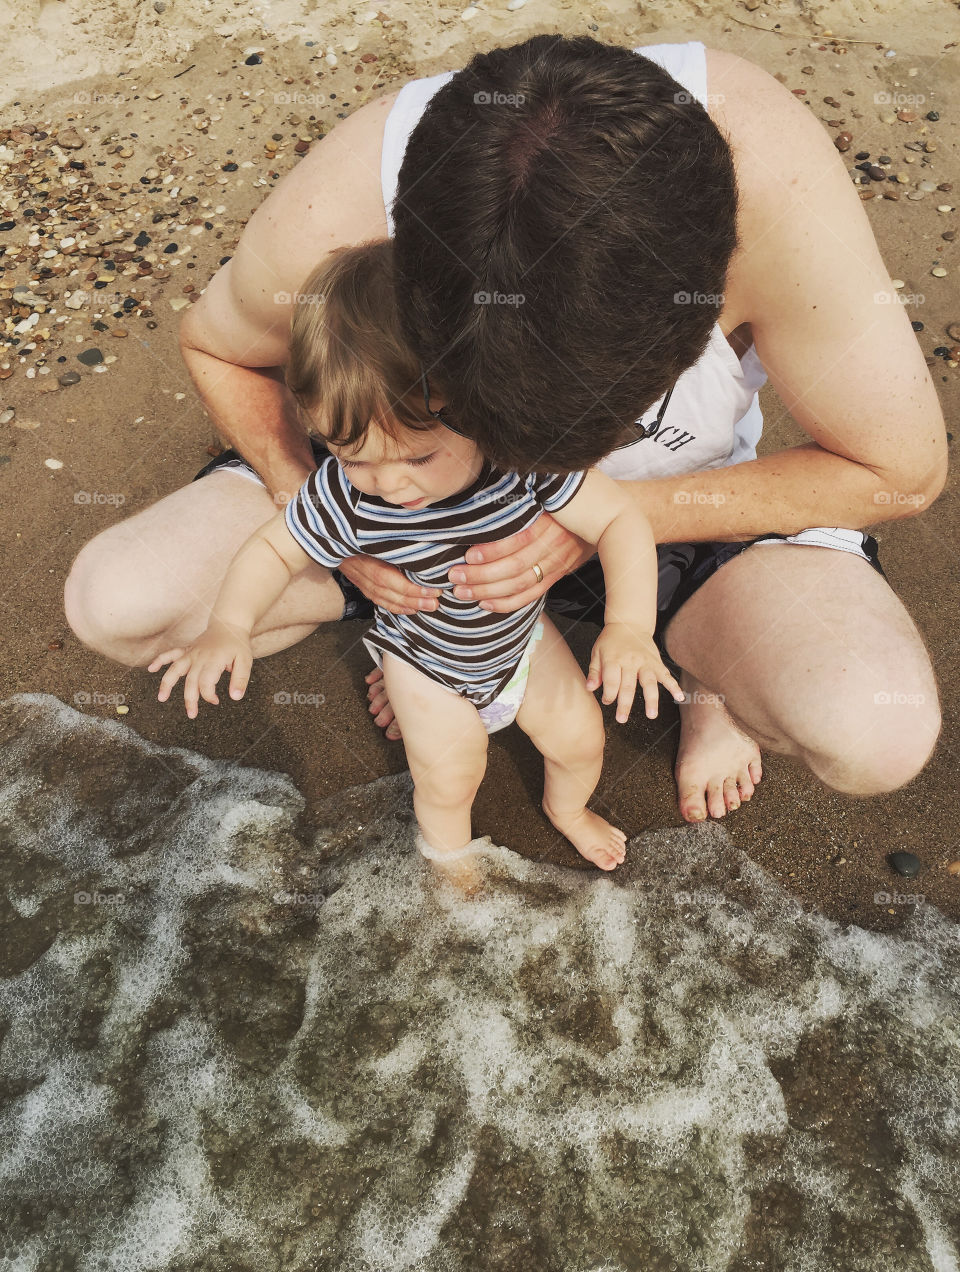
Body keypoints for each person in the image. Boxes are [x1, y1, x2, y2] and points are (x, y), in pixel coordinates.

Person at [64, 36, 946, 828]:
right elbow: (216, 347)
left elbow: (898, 471)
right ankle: (422, 644)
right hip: (420, 542)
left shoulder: (772, 185)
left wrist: (592, 519)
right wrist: (340, 534)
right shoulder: (341, 212)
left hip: (680, 519)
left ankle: (708, 682)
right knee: (116, 603)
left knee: (874, 729)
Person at [147, 240, 685, 878]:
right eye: (354, 458)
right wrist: (230, 624)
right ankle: (448, 860)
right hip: (426, 661)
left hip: (521, 645)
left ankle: (567, 810)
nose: (391, 486)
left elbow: (621, 519)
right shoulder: (345, 495)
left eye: (417, 458)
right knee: (451, 779)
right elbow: (272, 548)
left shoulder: (523, 461)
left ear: (473, 404)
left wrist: (629, 628)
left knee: (581, 742)